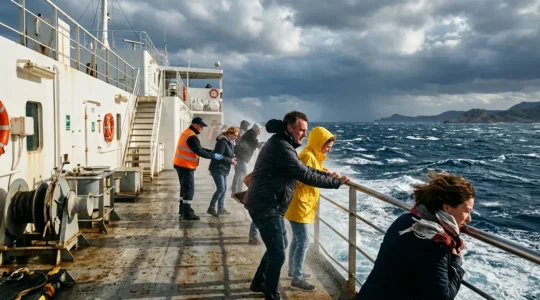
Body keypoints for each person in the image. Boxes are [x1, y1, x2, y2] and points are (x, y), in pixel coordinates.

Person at [245, 111, 350, 300]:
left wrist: (328, 176)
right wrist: (336, 182)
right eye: (301, 130)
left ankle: (258, 282)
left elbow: (305, 170)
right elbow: (305, 175)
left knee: (279, 246)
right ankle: (271, 294)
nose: (304, 134)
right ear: (289, 128)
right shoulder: (282, 147)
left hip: (268, 203)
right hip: (265, 205)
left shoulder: (282, 142)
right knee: (278, 253)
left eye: (305, 131)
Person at [356, 171, 474, 300]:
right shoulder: (435, 240)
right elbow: (442, 297)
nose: (469, 219)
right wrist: (456, 264)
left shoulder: (405, 220)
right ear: (446, 207)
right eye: (467, 211)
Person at [284, 126, 339, 292]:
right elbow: (308, 177)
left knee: (297, 239)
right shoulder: (307, 156)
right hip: (300, 204)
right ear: (318, 143)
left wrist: (326, 173)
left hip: (302, 204)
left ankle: (293, 271)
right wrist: (331, 180)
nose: (328, 150)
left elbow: (314, 170)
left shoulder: (312, 155)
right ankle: (297, 278)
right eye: (327, 147)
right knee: (303, 241)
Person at [174, 117, 224, 221]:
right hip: (186, 165)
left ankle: (182, 209)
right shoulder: (192, 136)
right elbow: (199, 152)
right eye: (201, 126)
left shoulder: (188, 133)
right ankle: (187, 212)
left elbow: (199, 149)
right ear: (195, 125)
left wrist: (212, 152)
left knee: (184, 189)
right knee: (188, 189)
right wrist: (215, 156)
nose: (202, 128)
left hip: (180, 164)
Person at [231, 123, 266, 245]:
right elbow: (255, 144)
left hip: (240, 158)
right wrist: (262, 145)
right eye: (259, 131)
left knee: (240, 175)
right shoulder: (251, 135)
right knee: (243, 175)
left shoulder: (250, 134)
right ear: (256, 129)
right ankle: (240, 193)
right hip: (240, 158)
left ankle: (237, 192)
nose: (259, 133)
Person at [207, 126, 239, 217]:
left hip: (224, 168)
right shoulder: (222, 142)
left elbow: (229, 153)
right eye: (235, 135)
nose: (236, 137)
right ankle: (211, 207)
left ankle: (220, 208)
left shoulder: (230, 142)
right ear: (229, 134)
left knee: (224, 189)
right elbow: (218, 156)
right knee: (221, 188)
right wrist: (230, 161)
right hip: (217, 168)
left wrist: (233, 158)